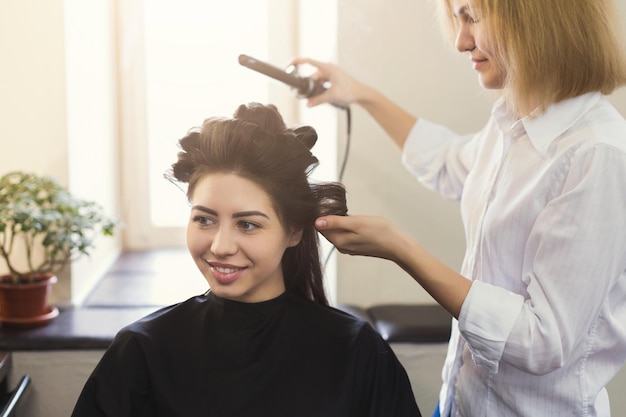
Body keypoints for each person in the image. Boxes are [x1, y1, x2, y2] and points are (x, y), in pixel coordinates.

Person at [290, 0, 626, 416]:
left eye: (472, 17)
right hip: (459, 401)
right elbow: (447, 162)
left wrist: (401, 248)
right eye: (458, 19)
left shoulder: (597, 154)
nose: (462, 41)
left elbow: (543, 341)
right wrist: (361, 94)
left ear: (535, 19)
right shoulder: (512, 122)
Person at [70, 102, 422, 417]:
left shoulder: (356, 352)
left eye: (248, 224)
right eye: (204, 219)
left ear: (294, 232)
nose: (221, 246)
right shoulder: (142, 351)